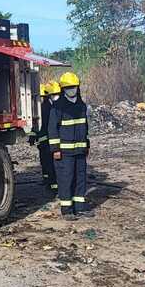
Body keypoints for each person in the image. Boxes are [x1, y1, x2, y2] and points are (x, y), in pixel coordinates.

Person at [48, 71, 92, 218]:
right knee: (66, 178)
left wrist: (86, 145)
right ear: (63, 89)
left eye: (73, 87)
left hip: (80, 149)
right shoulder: (57, 107)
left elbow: (84, 126)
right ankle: (67, 210)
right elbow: (52, 129)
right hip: (64, 152)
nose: (71, 90)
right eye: (68, 87)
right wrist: (55, 149)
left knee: (80, 177)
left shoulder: (81, 106)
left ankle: (80, 207)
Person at [35, 82, 55, 188]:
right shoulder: (45, 107)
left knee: (48, 162)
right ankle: (47, 180)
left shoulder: (45, 108)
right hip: (44, 141)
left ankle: (51, 182)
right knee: (45, 162)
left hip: (47, 141)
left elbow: (42, 127)